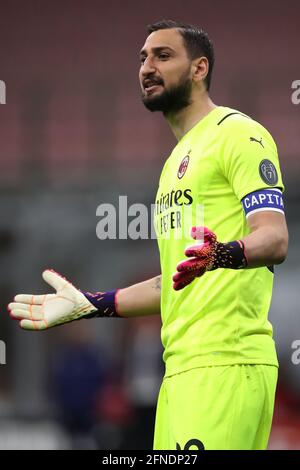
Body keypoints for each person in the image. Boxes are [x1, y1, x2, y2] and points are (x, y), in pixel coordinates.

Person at [8, 20, 289, 450]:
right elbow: (172, 282)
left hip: (226, 363)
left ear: (199, 69)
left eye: (162, 55)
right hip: (178, 372)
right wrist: (90, 305)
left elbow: (274, 239)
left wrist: (223, 255)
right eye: (142, 58)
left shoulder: (238, 134)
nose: (147, 67)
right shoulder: (174, 163)